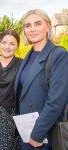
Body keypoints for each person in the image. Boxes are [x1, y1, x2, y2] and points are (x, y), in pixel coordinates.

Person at [14, 9, 68, 150]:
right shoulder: (29, 55)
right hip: (27, 129)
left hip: (44, 132)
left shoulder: (59, 55)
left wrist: (38, 133)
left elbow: (56, 100)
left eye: (37, 24)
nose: (32, 29)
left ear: (48, 26)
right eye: (28, 25)